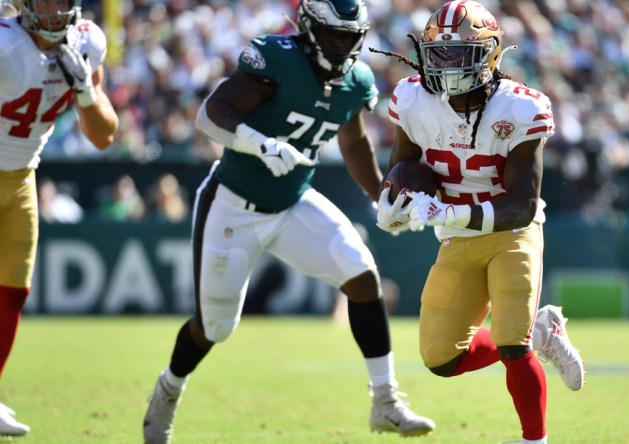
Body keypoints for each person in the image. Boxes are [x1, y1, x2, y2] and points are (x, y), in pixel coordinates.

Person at [141, 0, 435, 442]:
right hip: (233, 205)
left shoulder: (354, 81)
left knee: (363, 277)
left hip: (293, 202)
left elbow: (355, 147)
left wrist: (383, 200)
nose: (343, 47)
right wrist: (258, 144)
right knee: (215, 327)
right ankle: (169, 388)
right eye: (334, 36)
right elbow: (210, 114)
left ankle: (385, 401)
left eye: (350, 38)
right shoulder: (276, 58)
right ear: (310, 30)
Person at [372, 1, 584, 442]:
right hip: (457, 238)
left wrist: (449, 211)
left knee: (511, 342)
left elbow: (523, 204)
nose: (446, 66)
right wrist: (391, 202)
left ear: (488, 55)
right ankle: (543, 331)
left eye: (458, 54)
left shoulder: (521, 108)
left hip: (511, 234)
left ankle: (535, 439)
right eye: (438, 55)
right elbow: (403, 168)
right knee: (440, 358)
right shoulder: (412, 100)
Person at [0, 0, 118, 436]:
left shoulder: (87, 43)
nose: (54, 10)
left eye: (61, 0)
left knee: (12, 291)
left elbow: (104, 136)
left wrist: (86, 90)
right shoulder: (5, 44)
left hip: (22, 177)